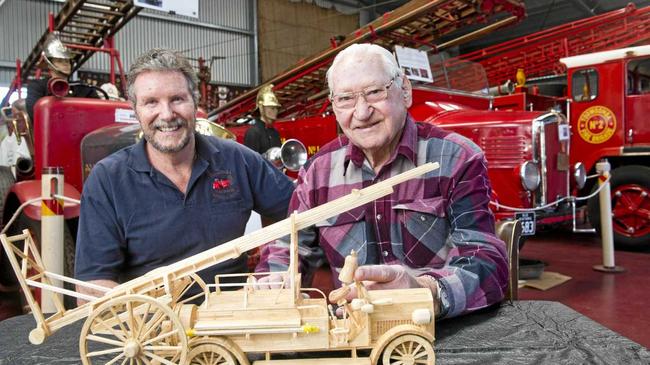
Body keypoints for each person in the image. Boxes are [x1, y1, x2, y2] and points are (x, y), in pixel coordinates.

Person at [255, 43, 508, 319]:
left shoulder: (456, 158)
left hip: (439, 331)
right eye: (346, 99)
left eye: (375, 92)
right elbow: (289, 247)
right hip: (353, 334)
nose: (362, 112)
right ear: (334, 106)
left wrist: (425, 291)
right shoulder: (318, 172)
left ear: (405, 91)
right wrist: (276, 280)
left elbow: (486, 263)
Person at [74, 48, 295, 300]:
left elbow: (302, 213)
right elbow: (92, 287)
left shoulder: (237, 160)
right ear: (136, 110)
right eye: (151, 102)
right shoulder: (107, 181)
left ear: (195, 103)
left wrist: (275, 265)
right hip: (155, 328)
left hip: (236, 317)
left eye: (177, 99)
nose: (167, 114)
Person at [25, 33, 100, 122]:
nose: (65, 64)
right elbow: (35, 114)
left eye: (67, 61)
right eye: (59, 61)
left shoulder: (82, 88)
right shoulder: (37, 87)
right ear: (49, 65)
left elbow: (99, 111)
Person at [243, 84, 282, 154]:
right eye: (272, 108)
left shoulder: (275, 133)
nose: (275, 111)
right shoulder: (253, 133)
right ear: (261, 108)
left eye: (276, 108)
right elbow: (251, 160)